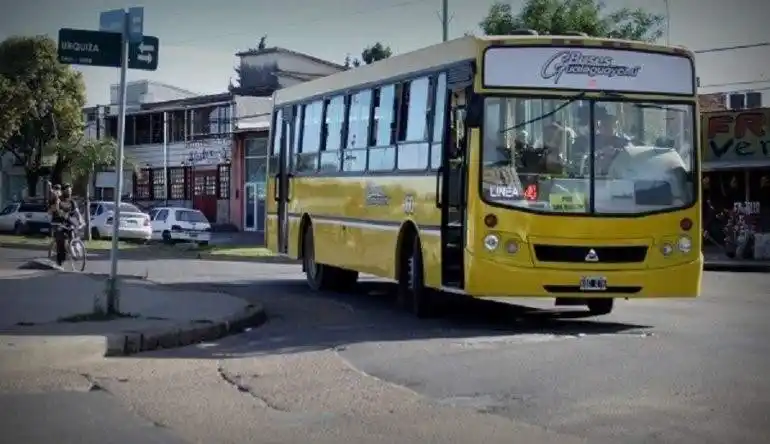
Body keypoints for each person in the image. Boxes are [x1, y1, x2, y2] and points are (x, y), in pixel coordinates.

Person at [48, 183, 82, 266]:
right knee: (60, 239)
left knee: (73, 231)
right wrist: (56, 208)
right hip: (58, 222)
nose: (69, 192)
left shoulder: (72, 201)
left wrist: (80, 220)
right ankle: (60, 260)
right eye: (67, 190)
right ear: (63, 191)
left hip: (67, 221)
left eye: (70, 190)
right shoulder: (58, 200)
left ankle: (75, 247)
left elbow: (77, 212)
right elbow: (51, 210)